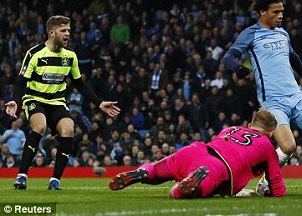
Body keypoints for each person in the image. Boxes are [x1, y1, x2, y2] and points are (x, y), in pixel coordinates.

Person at [222, 0, 302, 194]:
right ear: (262, 12)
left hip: (295, 95)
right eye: (276, 12)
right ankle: (265, 182)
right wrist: (238, 69)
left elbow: (293, 57)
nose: (280, 16)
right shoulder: (251, 34)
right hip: (272, 101)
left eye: (282, 11)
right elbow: (228, 57)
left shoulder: (283, 34)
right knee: (288, 147)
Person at [5, 15, 121, 190]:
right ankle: (21, 176)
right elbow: (21, 82)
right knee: (40, 126)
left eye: (68, 30)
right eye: (63, 31)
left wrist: (99, 103)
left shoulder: (70, 56)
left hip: (57, 102)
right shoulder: (34, 54)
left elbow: (79, 83)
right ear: (52, 33)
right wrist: (15, 101)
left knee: (69, 129)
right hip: (35, 99)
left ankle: (55, 181)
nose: (67, 34)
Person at [109, 109, 286, 198]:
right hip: (217, 167)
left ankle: (143, 172)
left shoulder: (231, 129)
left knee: (156, 172)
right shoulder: (267, 146)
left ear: (249, 124)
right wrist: (272, 193)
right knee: (176, 193)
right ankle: (185, 185)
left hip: (195, 150)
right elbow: (277, 186)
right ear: (270, 133)